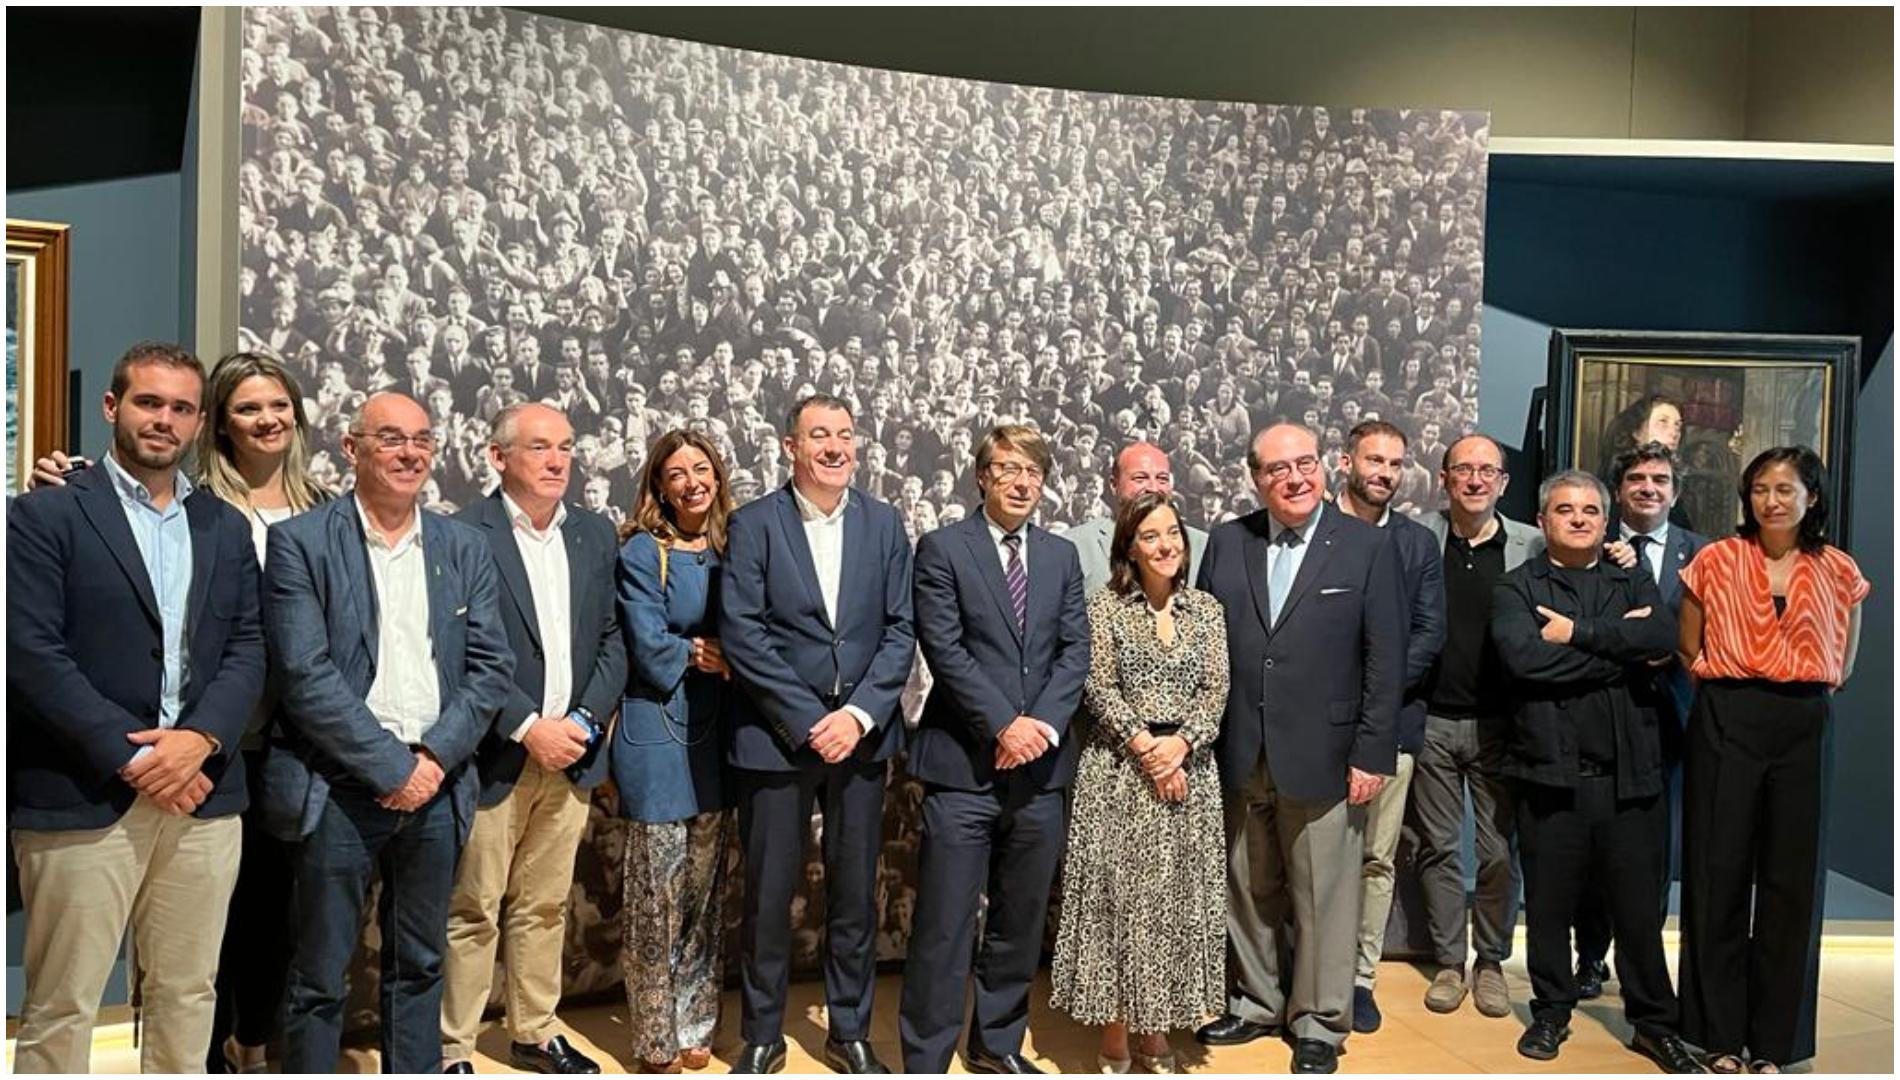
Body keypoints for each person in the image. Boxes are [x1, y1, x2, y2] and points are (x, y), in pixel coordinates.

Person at [30, 349, 335, 1073]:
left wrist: (198, 740)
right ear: (112, 409)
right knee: (64, 1002)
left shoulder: (222, 527)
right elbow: (32, 653)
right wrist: (139, 757)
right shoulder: (48, 512)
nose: (163, 420)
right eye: (147, 403)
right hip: (88, 791)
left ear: (199, 423)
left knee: (190, 993)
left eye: (179, 408)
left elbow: (247, 644)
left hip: (206, 790)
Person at [264, 391, 514, 1073]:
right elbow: (304, 674)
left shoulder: (464, 545)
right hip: (337, 787)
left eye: (423, 440)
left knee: (421, 963)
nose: (410, 454)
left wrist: (431, 758)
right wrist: (390, 767)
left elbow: (492, 668)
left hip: (437, 785)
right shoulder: (301, 543)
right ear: (352, 448)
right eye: (392, 438)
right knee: (318, 975)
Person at [1194, 422, 1404, 1074]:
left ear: (1324, 466)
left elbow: (1386, 659)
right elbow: (1204, 642)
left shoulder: (1367, 547)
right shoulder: (1229, 542)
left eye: (1305, 463)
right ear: (1256, 478)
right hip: (1240, 752)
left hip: (1328, 755)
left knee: (1325, 897)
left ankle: (1319, 1020)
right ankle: (1257, 1002)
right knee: (1248, 889)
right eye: (1278, 469)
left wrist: (1372, 753)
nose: (1295, 478)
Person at [718, 393, 915, 1075]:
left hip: (861, 740)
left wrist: (856, 716)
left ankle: (849, 1029)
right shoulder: (752, 524)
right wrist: (807, 720)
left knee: (855, 891)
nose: (835, 447)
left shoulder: (886, 524)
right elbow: (743, 632)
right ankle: (764, 1034)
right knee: (769, 895)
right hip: (776, 740)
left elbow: (900, 630)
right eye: (819, 435)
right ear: (789, 446)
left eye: (845, 435)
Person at [1489, 470, 1704, 1073]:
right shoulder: (1516, 587)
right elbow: (1526, 662)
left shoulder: (1628, 574)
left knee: (1638, 911)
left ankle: (1654, 1024)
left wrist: (1577, 635)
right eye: (1565, 509)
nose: (1579, 518)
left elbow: (1662, 634)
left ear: (1606, 521)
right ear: (1543, 519)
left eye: (1590, 510)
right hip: (1550, 775)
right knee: (1551, 909)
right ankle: (1552, 1009)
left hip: (1631, 777)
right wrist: (1622, 654)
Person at [440, 404, 627, 1075]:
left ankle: (535, 1031)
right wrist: (526, 726)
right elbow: (456, 650)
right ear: (497, 457)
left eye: (566, 448)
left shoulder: (595, 535)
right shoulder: (464, 533)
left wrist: (581, 723)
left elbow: (612, 638)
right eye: (540, 448)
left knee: (545, 907)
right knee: (472, 909)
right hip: (495, 754)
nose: (557, 461)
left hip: (572, 756)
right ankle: (451, 1049)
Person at [900, 425, 1090, 1074]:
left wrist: (1039, 728)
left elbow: (1075, 652)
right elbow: (945, 649)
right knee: (946, 926)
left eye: (1032, 471)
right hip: (962, 770)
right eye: (1007, 468)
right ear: (981, 476)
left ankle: (997, 1045)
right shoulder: (942, 549)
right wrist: (1004, 725)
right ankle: (926, 1057)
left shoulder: (1062, 557)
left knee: (1018, 923)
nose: (1020, 481)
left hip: (1040, 773)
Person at [1677, 447, 1868, 1074]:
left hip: (1803, 721)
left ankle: (1777, 1044)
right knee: (1717, 871)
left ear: (1812, 497)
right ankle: (1718, 1037)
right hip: (1728, 713)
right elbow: (1689, 644)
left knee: (1793, 881)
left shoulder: (1839, 570)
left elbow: (1845, 655)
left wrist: (1803, 688)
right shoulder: (1715, 560)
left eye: (1786, 489)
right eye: (1760, 489)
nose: (1772, 501)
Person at [1050, 491, 1230, 1073]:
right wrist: (1150, 750)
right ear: (1129, 544)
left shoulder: (1207, 608)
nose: (1165, 545)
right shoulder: (1103, 607)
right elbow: (1096, 686)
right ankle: (1115, 1038)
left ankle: (1157, 1034)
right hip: (1120, 774)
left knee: (1173, 908)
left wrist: (1181, 747)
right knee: (1121, 907)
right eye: (1150, 535)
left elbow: (1216, 690)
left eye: (1172, 532)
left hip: (1191, 776)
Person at [614, 428, 739, 1073]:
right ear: (659, 486)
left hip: (717, 739)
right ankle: (654, 1038)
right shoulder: (643, 551)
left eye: (701, 468)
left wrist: (734, 657)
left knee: (702, 897)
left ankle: (697, 1023)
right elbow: (644, 636)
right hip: (655, 739)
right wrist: (695, 651)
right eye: (677, 473)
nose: (692, 481)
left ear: (717, 475)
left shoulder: (735, 545)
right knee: (653, 902)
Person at [1571, 441, 1708, 1001]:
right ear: (1619, 490)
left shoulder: (1703, 555)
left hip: (1674, 721)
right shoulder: (1592, 548)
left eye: (1659, 478)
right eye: (1636, 479)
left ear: (1675, 491)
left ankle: (1642, 959)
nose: (1648, 487)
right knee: (1593, 846)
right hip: (1602, 714)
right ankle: (1590, 957)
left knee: (1655, 850)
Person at [1410, 433, 1539, 1018]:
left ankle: (1491, 961)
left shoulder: (1531, 546)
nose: (1476, 480)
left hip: (1500, 725)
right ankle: (1448, 962)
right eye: (1464, 469)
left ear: (1504, 483)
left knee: (1495, 853)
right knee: (1438, 848)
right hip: (1433, 719)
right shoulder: (1416, 539)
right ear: (1445, 478)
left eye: (1488, 471)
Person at [1331, 421, 1446, 1034]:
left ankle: (1359, 978)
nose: (1385, 472)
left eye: (1396, 464)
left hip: (1391, 725)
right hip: (1315, 728)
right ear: (1346, 460)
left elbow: (1428, 635)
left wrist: (1373, 698)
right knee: (1312, 861)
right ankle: (1309, 971)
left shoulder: (1417, 543)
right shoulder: (1313, 529)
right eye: (1374, 459)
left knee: (1377, 859)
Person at [1068, 442, 1206, 594]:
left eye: (1162, 479)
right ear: (1114, 485)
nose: (1153, 488)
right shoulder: (1074, 546)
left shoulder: (1203, 546)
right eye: (1140, 479)